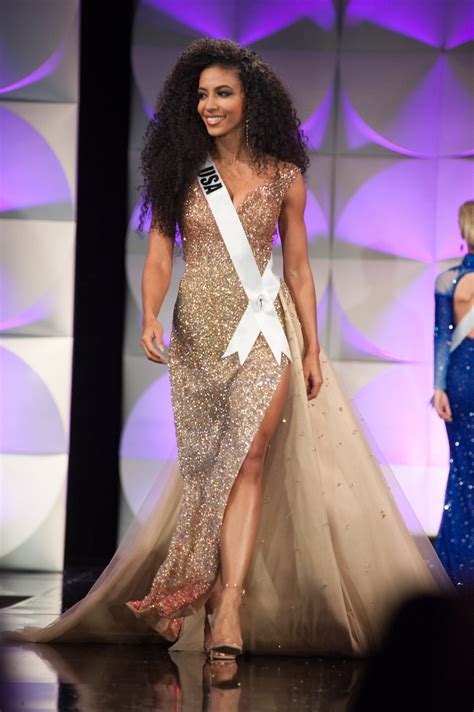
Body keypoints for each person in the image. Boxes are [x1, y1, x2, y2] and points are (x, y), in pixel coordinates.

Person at [3, 38, 452, 657]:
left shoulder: (285, 177)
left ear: (251, 100)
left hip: (266, 330)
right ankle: (194, 587)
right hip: (198, 333)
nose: (209, 105)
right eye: (201, 95)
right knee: (207, 469)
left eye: (222, 93)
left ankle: (229, 602)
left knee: (250, 457)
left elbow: (297, 271)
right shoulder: (180, 171)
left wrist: (315, 348)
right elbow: (161, 251)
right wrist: (151, 315)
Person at [432, 200, 474, 588]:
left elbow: (442, 340)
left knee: (461, 472)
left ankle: (458, 567)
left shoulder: (448, 281)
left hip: (462, 378)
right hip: (464, 377)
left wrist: (439, 387)